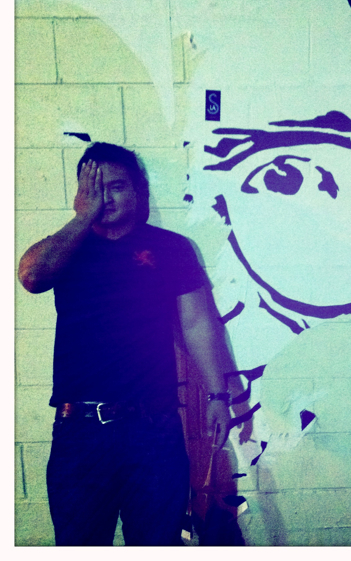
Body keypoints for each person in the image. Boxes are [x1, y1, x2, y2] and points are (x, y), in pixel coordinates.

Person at [18, 142, 233, 546]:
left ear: (138, 190)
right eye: (94, 188)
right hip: (80, 433)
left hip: (154, 430)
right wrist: (81, 219)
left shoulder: (171, 248)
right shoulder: (65, 249)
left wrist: (218, 395)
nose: (105, 198)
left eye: (116, 186)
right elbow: (31, 277)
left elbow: (197, 324)